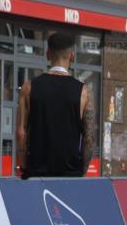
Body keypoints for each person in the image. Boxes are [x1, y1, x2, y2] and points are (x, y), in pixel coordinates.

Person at [16, 32, 96, 178]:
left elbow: (21, 133)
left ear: (48, 54)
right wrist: (82, 171)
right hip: (70, 174)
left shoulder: (29, 88)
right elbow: (89, 138)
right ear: (72, 56)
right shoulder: (84, 92)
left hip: (36, 173)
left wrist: (24, 167)